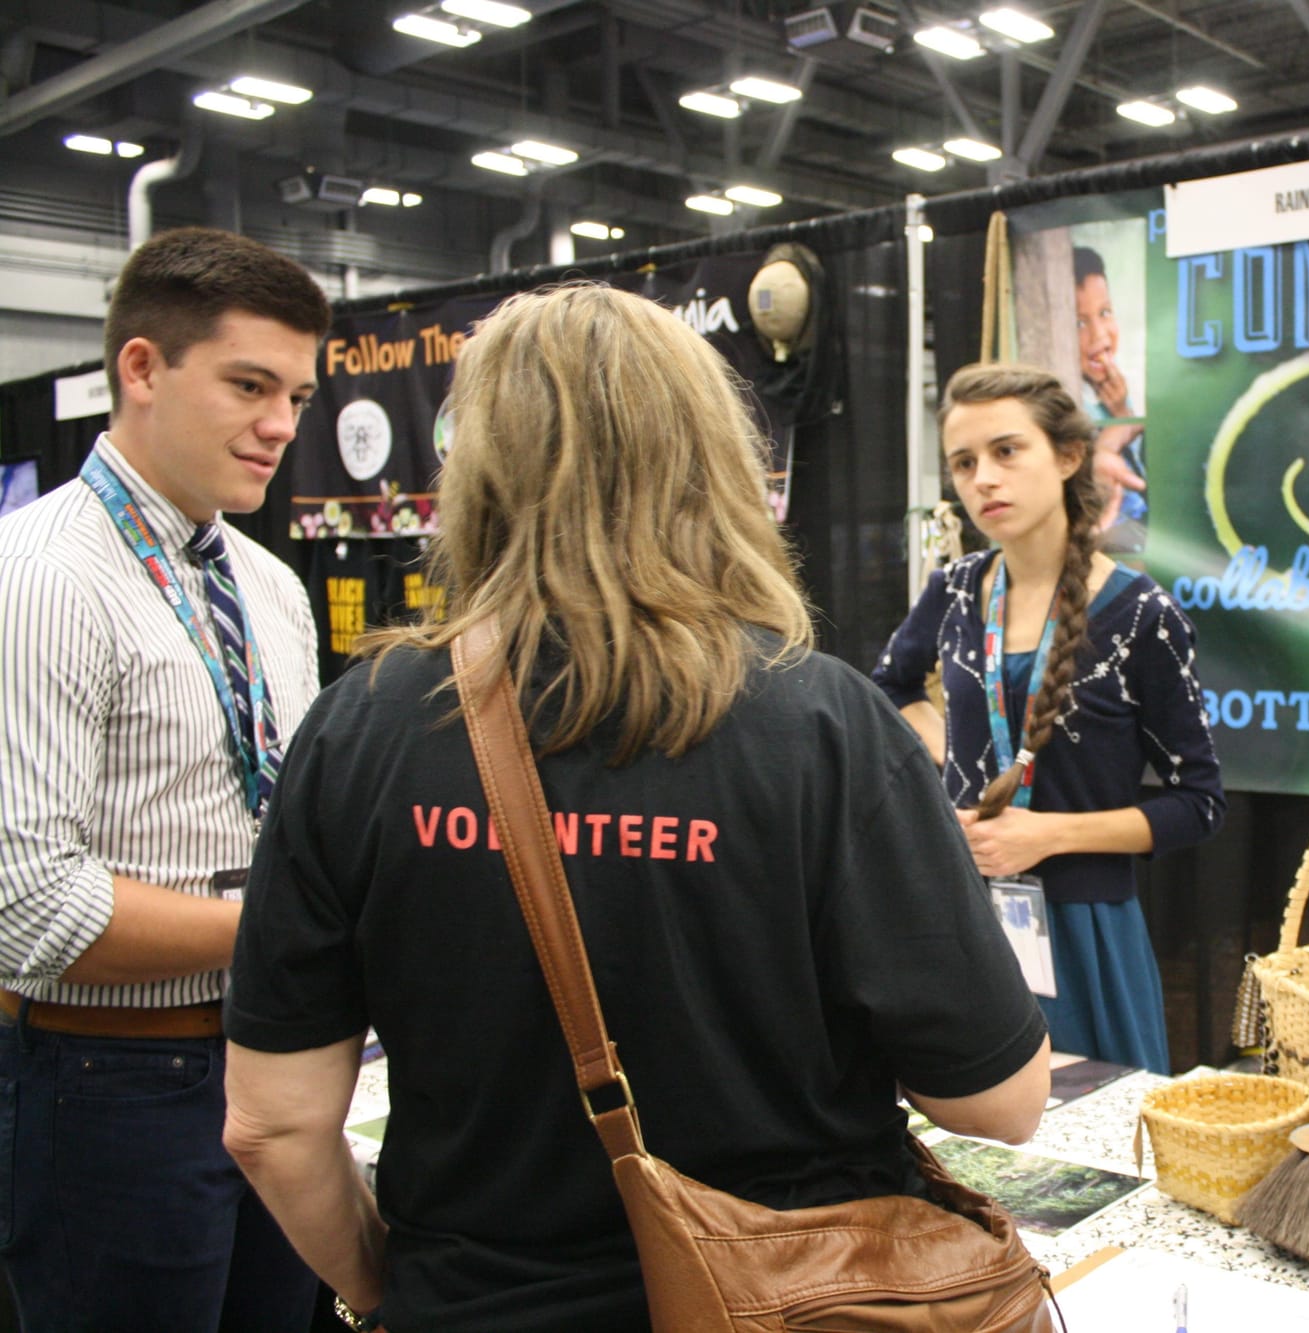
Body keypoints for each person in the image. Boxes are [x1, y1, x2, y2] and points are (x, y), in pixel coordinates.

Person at [219, 284, 1052, 1333]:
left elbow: (272, 1127)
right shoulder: (820, 722)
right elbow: (1000, 1099)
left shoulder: (359, 729)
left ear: (475, 466)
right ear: (712, 458)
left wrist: (402, 1292)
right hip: (793, 1303)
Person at [0, 227, 329, 1330]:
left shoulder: (270, 585)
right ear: (141, 368)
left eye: (296, 396)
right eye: (250, 385)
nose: (282, 426)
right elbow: (27, 906)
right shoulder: (42, 577)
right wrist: (285, 924)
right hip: (108, 1082)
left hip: (267, 1061)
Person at [872, 362, 1224, 1074]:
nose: (984, 479)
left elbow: (1199, 803)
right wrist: (953, 757)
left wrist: (1046, 836)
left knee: (1095, 1134)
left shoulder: (1142, 616)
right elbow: (890, 688)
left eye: (1006, 451)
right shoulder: (955, 590)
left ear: (1067, 457)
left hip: (1087, 933)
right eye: (964, 462)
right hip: (964, 919)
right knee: (969, 1129)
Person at [1073, 245, 1147, 539]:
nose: (1099, 334)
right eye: (1080, 323)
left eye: (1105, 313)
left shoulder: (1120, 390)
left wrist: (1121, 412)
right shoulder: (1072, 398)